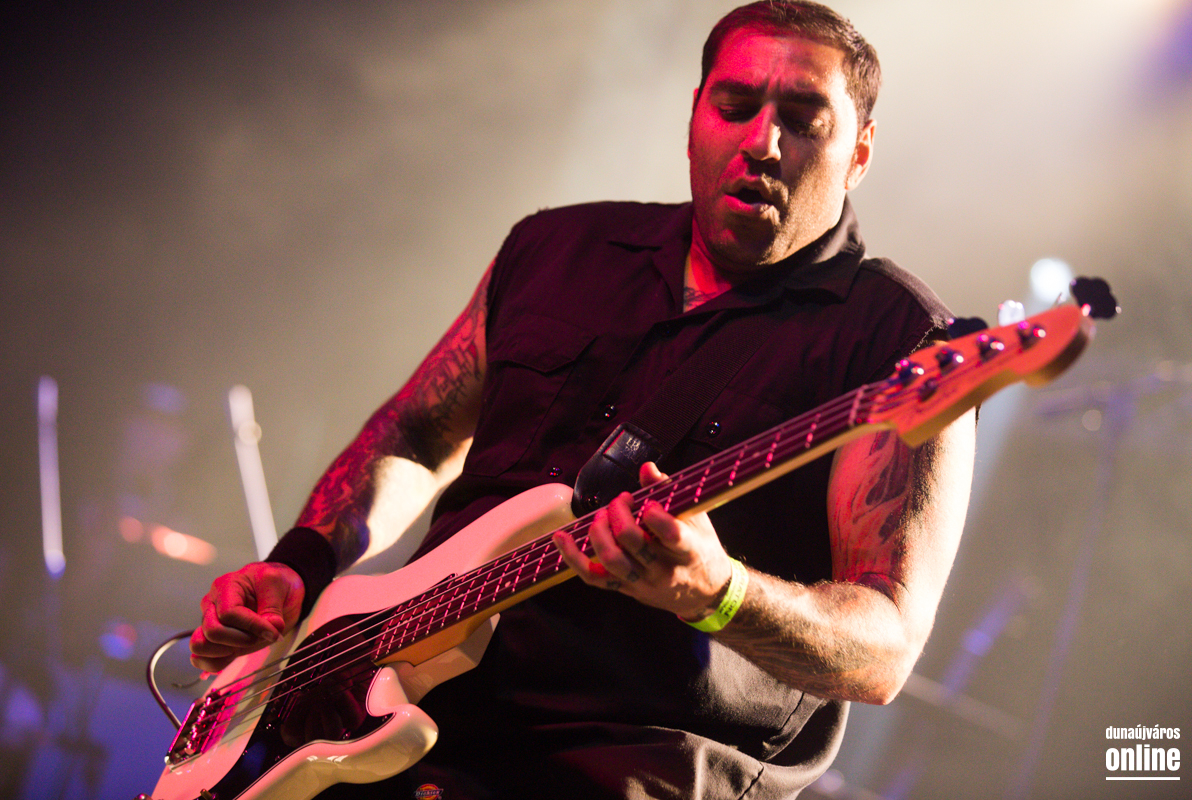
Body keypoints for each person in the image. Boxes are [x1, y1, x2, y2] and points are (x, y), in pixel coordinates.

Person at [189, 2, 975, 797]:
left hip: (623, 770)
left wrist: (721, 592)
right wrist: (301, 563)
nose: (762, 143)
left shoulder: (903, 343)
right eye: (735, 106)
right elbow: (417, 436)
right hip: (385, 727)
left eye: (803, 121)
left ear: (860, 151)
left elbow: (885, 649)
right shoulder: (557, 249)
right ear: (695, 118)